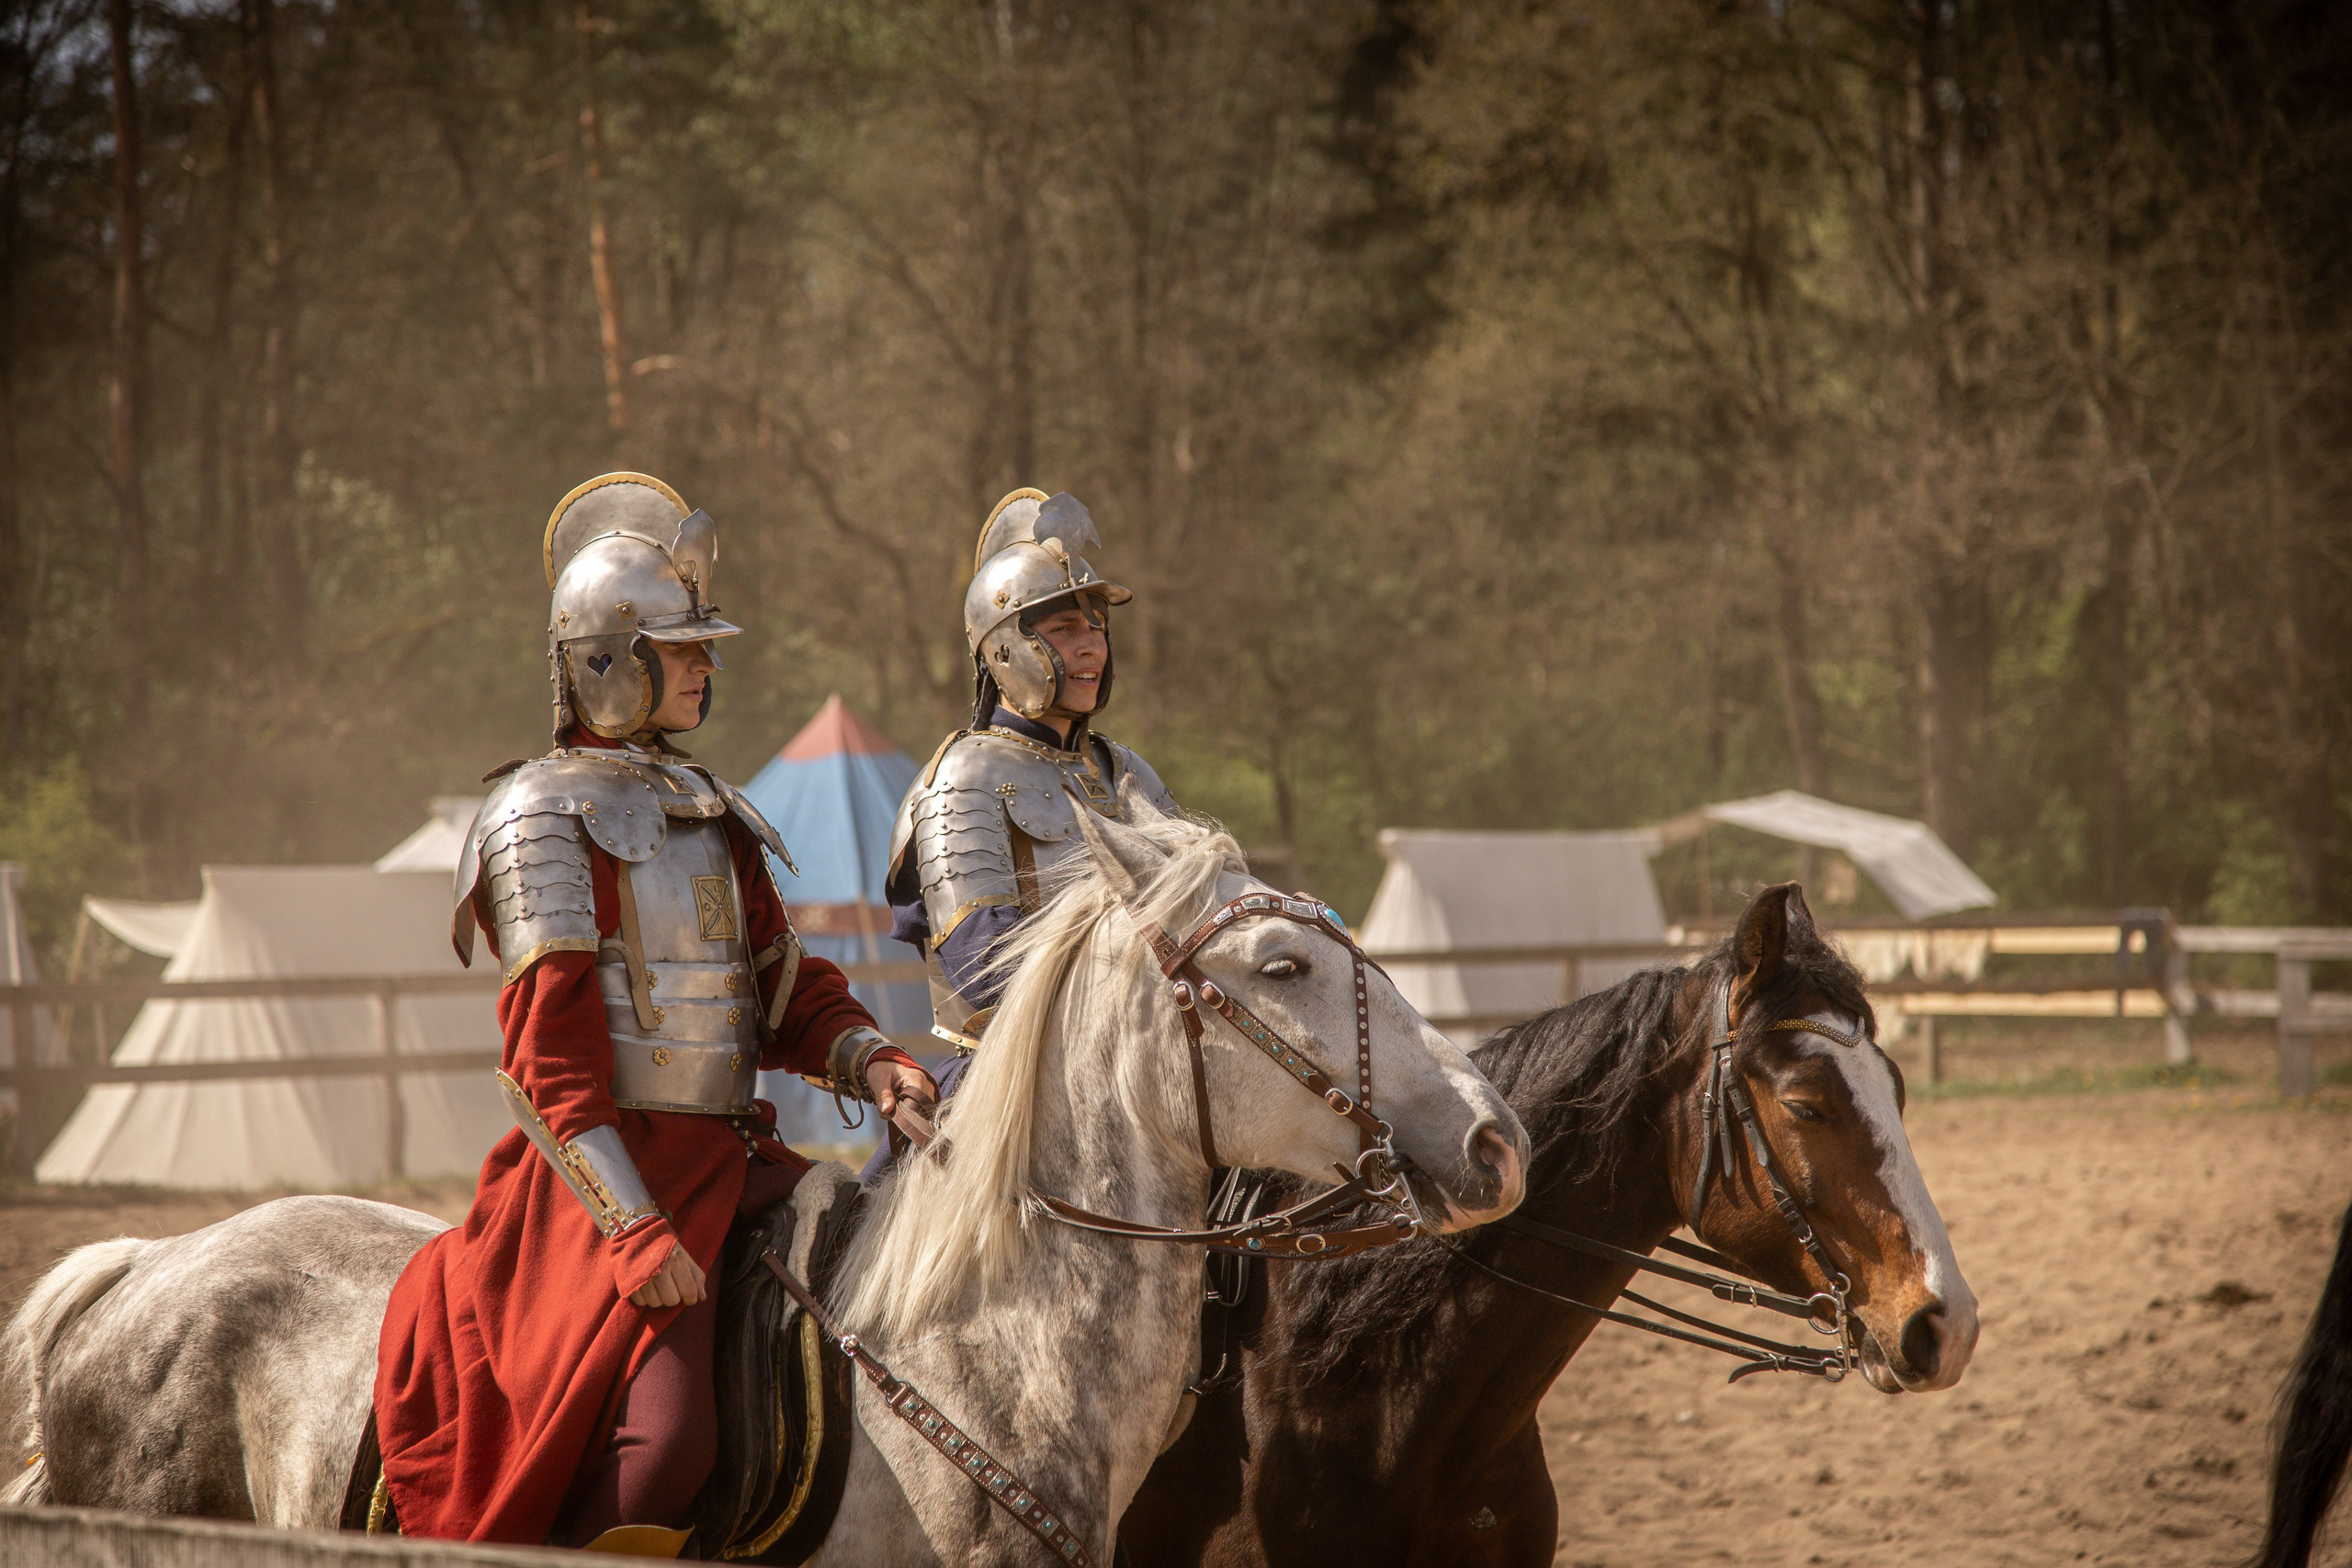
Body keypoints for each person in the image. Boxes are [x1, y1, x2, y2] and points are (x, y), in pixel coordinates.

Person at [372, 473, 937, 1555]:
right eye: (684, 650)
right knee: (669, 1445)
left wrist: (870, 1061)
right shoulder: (541, 817)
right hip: (599, 1189)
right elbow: (552, 1064)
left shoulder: (709, 810)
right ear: (608, 663)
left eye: (704, 648)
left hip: (733, 1160)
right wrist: (633, 1230)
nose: (708, 667)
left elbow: (781, 990)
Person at [872, 489, 1177, 1175]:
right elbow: (986, 974)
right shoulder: (962, 778)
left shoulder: (1129, 773)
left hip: (1159, 1063)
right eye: (1066, 628)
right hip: (1011, 1088)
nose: (1092, 644)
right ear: (1007, 646)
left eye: (1097, 626)